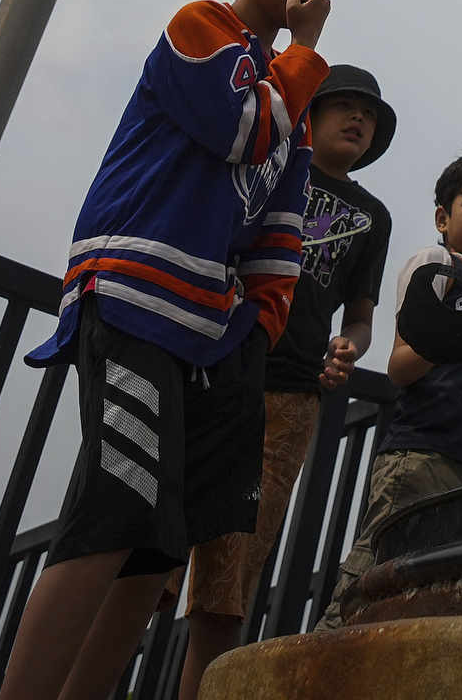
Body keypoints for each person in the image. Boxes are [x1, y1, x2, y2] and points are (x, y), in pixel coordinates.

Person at [0, 0, 376, 700]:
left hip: (214, 331)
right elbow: (238, 130)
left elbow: (279, 235)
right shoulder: (200, 27)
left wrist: (259, 327)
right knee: (117, 505)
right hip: (136, 294)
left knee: (166, 541)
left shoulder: (292, 97)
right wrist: (304, 54)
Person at [172, 63, 395, 697]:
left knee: (230, 584)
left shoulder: (372, 216)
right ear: (312, 115)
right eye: (344, 106)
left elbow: (360, 316)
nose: (357, 119)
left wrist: (348, 350)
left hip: (293, 395)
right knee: (148, 554)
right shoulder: (274, 168)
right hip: (213, 364)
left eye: (369, 114)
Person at [320, 150, 462, 627]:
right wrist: (451, 332)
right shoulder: (437, 264)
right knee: (371, 584)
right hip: (423, 455)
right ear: (442, 219)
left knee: (432, 600)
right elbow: (399, 367)